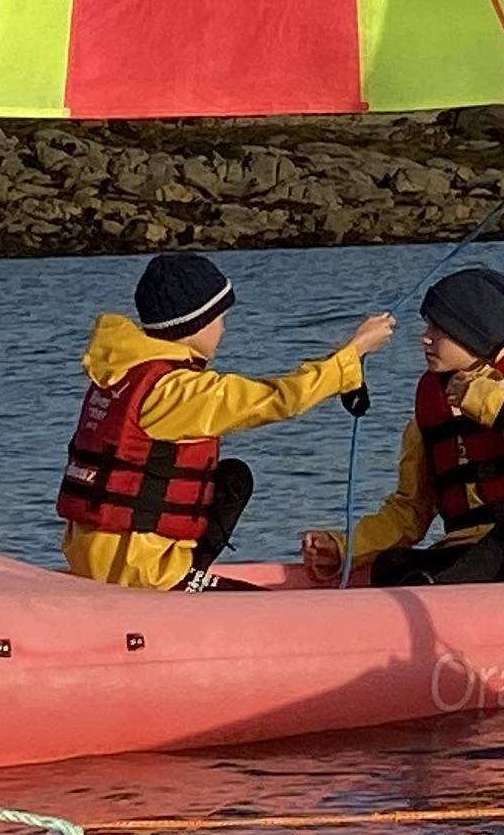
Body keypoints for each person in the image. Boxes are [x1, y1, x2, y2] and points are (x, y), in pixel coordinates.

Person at [59, 251, 390, 592]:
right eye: (220, 318)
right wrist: (351, 355)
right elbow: (277, 398)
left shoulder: (120, 376)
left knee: (232, 480)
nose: (224, 328)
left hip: (94, 558)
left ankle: (189, 573)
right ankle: (181, 585)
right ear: (195, 324)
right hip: (139, 571)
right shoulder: (177, 391)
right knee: (263, 606)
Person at [334, 266, 504, 586]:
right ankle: (435, 591)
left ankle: (441, 589)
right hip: (468, 545)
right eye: (428, 325)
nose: (426, 337)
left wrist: (487, 400)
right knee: (392, 563)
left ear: (473, 333)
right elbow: (409, 511)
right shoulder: (429, 410)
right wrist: (346, 548)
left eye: (439, 328)